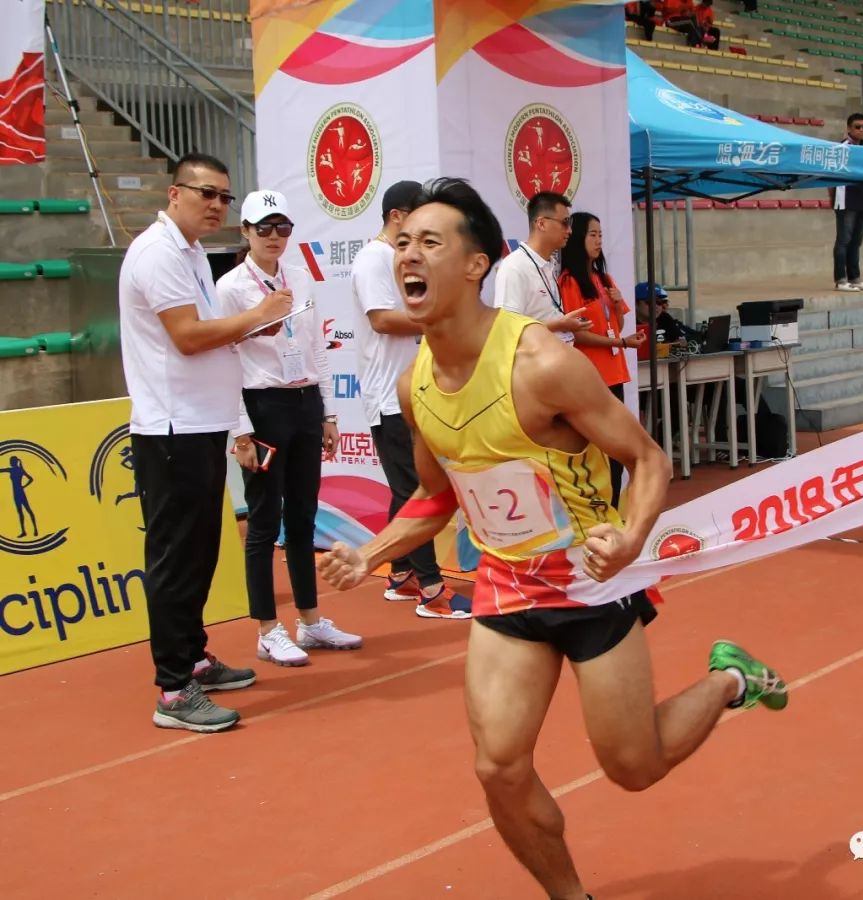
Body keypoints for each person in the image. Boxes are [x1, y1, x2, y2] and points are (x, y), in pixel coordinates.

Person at [317, 177, 788, 900]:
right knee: (497, 768)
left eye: (431, 243)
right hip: (506, 587)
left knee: (634, 767)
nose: (409, 254)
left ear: (476, 265)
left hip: (592, 583)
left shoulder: (541, 364)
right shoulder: (417, 385)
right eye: (403, 241)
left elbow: (648, 459)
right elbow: (437, 495)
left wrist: (631, 539)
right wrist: (371, 552)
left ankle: (731, 677)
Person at [119, 152, 294, 732]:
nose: (217, 204)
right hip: (172, 429)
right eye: (206, 194)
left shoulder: (190, 253)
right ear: (175, 194)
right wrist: (258, 316)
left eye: (224, 195)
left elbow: (208, 336)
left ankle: (192, 659)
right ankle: (172, 690)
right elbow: (189, 337)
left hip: (200, 424)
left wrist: (255, 323)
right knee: (175, 560)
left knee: (197, 553)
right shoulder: (159, 252)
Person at [216, 190, 363, 666]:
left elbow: (318, 346)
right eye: (264, 228)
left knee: (303, 516)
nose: (275, 237)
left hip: (303, 403)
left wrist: (327, 413)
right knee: (262, 522)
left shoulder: (300, 277)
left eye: (283, 228)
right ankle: (266, 628)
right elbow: (227, 360)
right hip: (262, 409)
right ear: (245, 232)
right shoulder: (232, 288)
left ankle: (311, 620)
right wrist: (239, 431)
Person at [351, 179, 471, 619]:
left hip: (410, 389)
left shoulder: (398, 259)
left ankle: (401, 574)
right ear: (397, 217)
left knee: (405, 487)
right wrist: (439, 319)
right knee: (414, 490)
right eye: (416, 223)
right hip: (390, 395)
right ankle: (431, 588)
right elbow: (382, 319)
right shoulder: (373, 259)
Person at [558, 212, 645, 509]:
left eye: (601, 235)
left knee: (617, 450)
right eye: (592, 234)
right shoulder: (569, 282)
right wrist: (620, 342)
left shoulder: (603, 278)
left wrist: (618, 303)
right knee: (597, 451)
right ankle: (597, 512)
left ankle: (613, 510)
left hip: (615, 374)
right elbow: (578, 335)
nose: (598, 241)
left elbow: (617, 325)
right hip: (591, 378)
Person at [492, 191, 592, 344]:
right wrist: (560, 325)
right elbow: (506, 329)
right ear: (542, 224)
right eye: (565, 222)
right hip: (535, 365)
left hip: (558, 360)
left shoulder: (548, 264)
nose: (570, 230)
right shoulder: (514, 266)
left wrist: (563, 324)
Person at [830, 113, 863, 293]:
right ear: (849, 128)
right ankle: (841, 279)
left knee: (856, 240)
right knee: (844, 239)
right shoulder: (843, 147)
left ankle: (854, 277)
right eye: (857, 127)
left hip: (861, 198)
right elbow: (833, 175)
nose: (862, 130)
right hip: (845, 198)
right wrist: (832, 198)